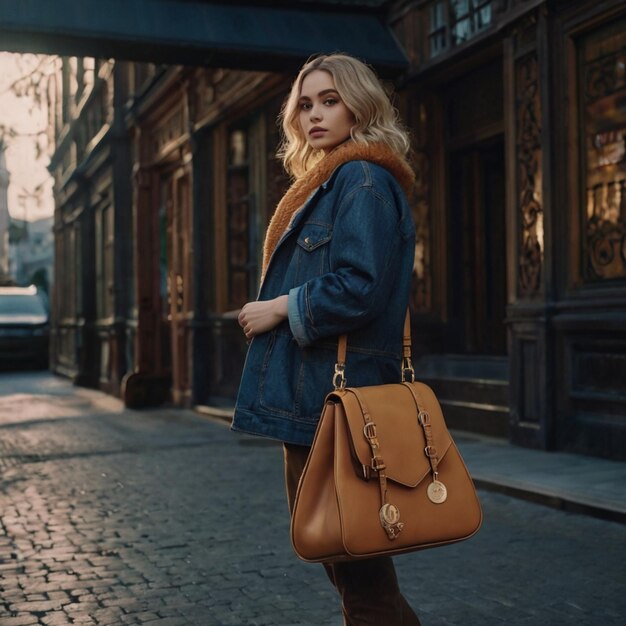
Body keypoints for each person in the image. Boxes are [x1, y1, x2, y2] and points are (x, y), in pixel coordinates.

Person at [232, 53, 420, 626]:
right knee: (351, 568)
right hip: (315, 398)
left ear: (359, 105)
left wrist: (280, 308)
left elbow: (360, 286)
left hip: (338, 401)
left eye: (330, 101)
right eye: (305, 104)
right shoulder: (331, 180)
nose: (314, 114)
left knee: (358, 571)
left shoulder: (361, 178)